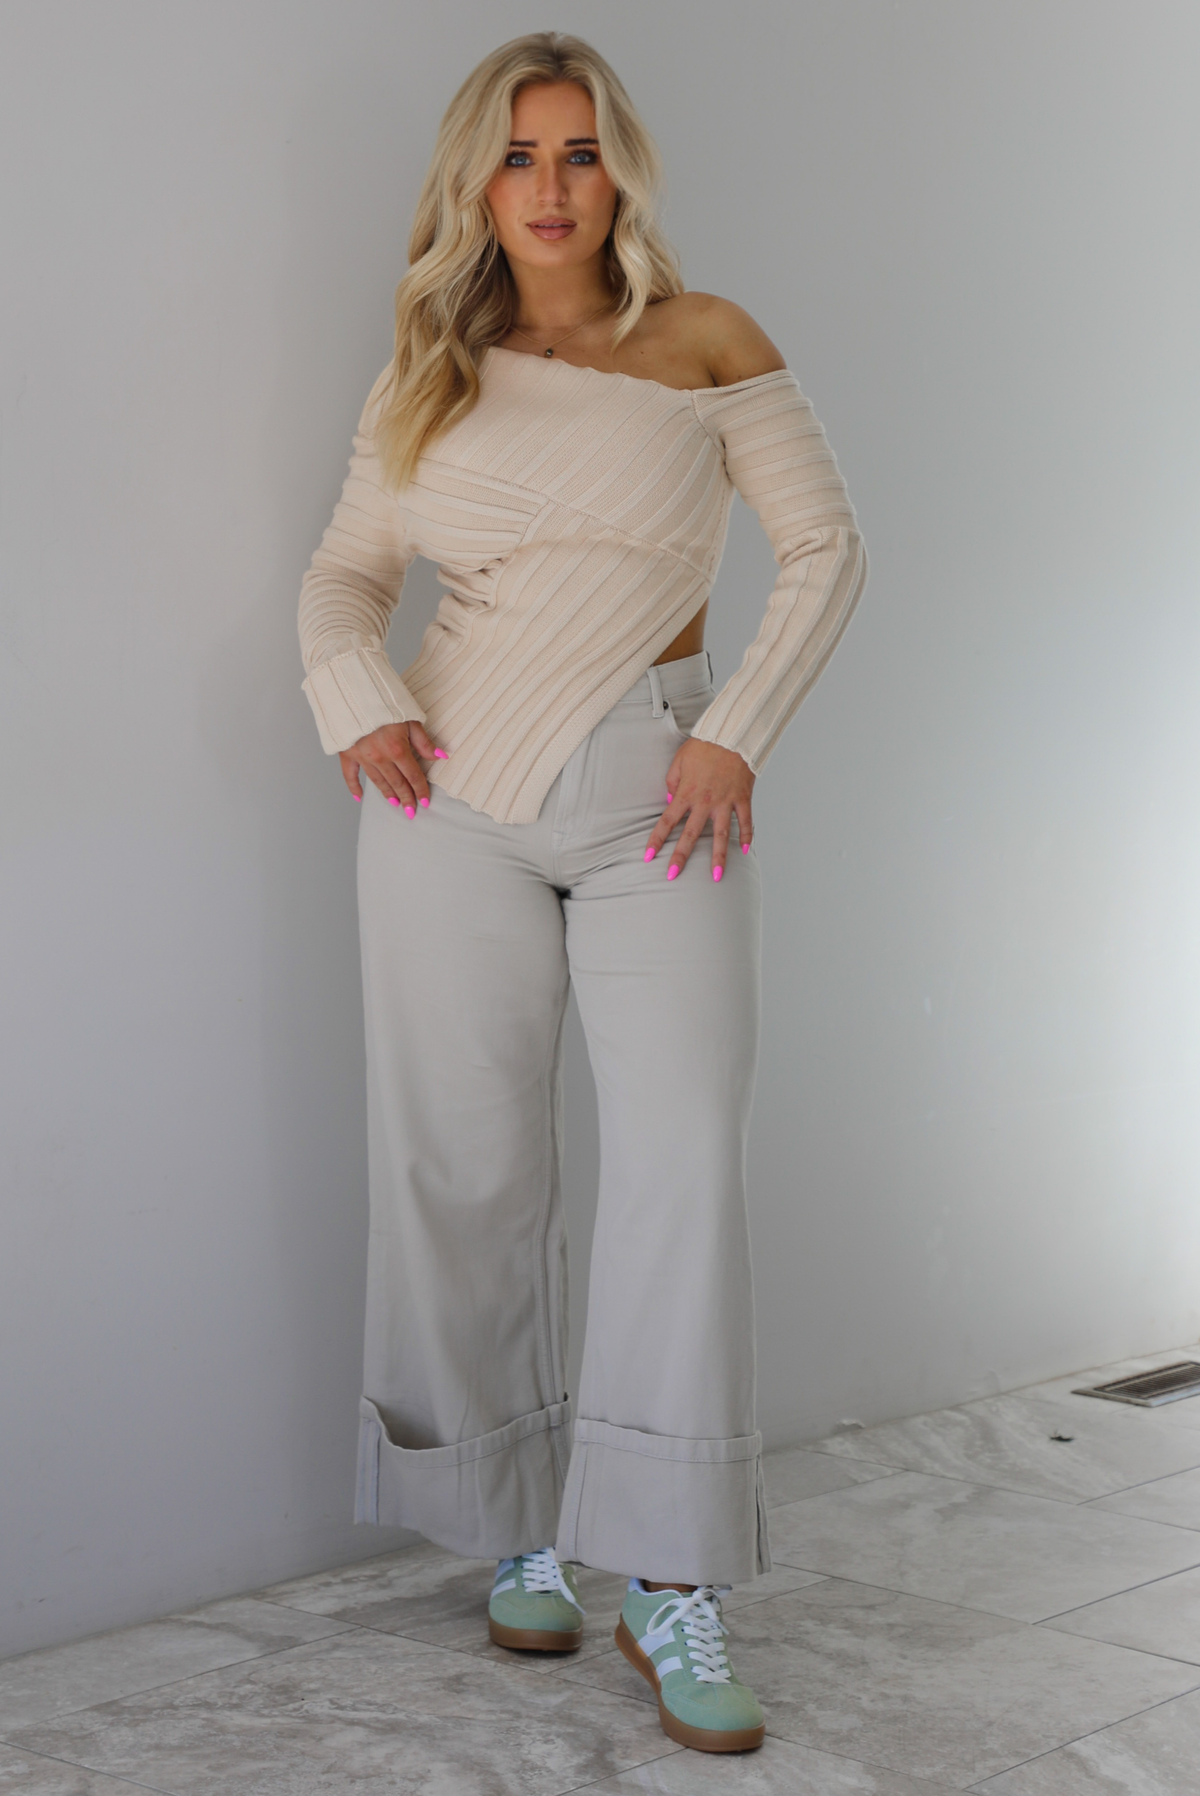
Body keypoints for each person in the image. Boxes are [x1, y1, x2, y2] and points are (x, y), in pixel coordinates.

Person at [298, 31, 866, 1755]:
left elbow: (829, 548)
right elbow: (345, 577)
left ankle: (668, 1576)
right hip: (444, 800)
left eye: (582, 153)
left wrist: (739, 736)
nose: (551, 188)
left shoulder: (707, 342)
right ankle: (520, 1526)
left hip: (658, 802)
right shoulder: (431, 362)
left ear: (622, 171)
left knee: (682, 1160)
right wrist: (357, 696)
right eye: (520, 157)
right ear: (477, 181)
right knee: (468, 1170)